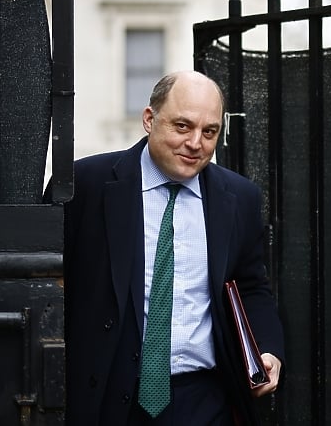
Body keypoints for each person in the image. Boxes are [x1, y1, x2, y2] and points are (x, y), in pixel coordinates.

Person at [55, 70, 284, 425]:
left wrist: (267, 351)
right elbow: (44, 281)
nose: (196, 143)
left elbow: (252, 286)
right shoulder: (84, 184)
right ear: (150, 119)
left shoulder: (239, 198)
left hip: (203, 398)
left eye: (209, 132)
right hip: (105, 396)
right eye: (182, 126)